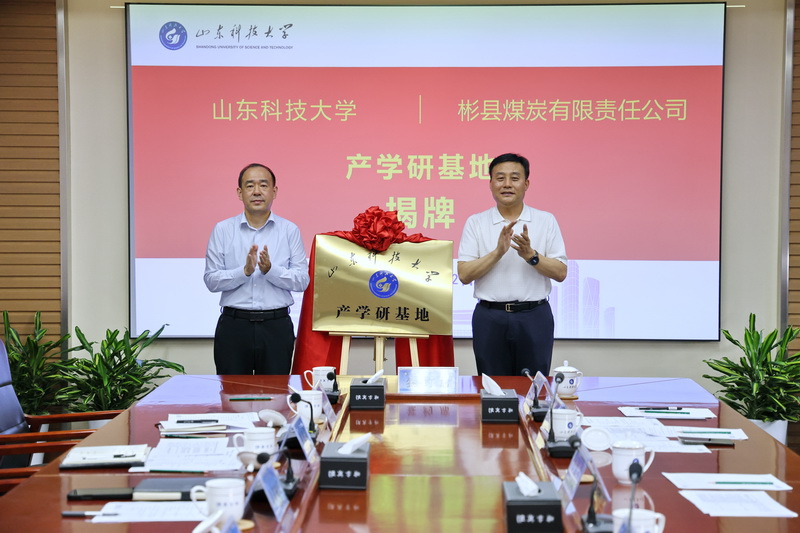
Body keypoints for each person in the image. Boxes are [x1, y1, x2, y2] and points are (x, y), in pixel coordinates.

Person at [457, 153, 567, 376]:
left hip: (534, 316)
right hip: (490, 317)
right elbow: (464, 275)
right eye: (500, 178)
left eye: (514, 178)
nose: (507, 184)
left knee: (534, 387)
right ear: (490, 183)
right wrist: (498, 252)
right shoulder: (476, 222)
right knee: (493, 387)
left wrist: (531, 256)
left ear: (526, 184)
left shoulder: (545, 220)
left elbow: (560, 272)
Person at [204, 163, 310, 374]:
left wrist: (270, 270)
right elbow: (211, 280)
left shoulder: (289, 230)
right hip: (234, 327)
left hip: (276, 327)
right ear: (240, 192)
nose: (257, 191)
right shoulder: (223, 230)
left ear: (274, 191)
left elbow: (302, 281)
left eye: (263, 185)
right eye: (250, 185)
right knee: (232, 391)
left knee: (275, 392)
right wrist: (244, 272)